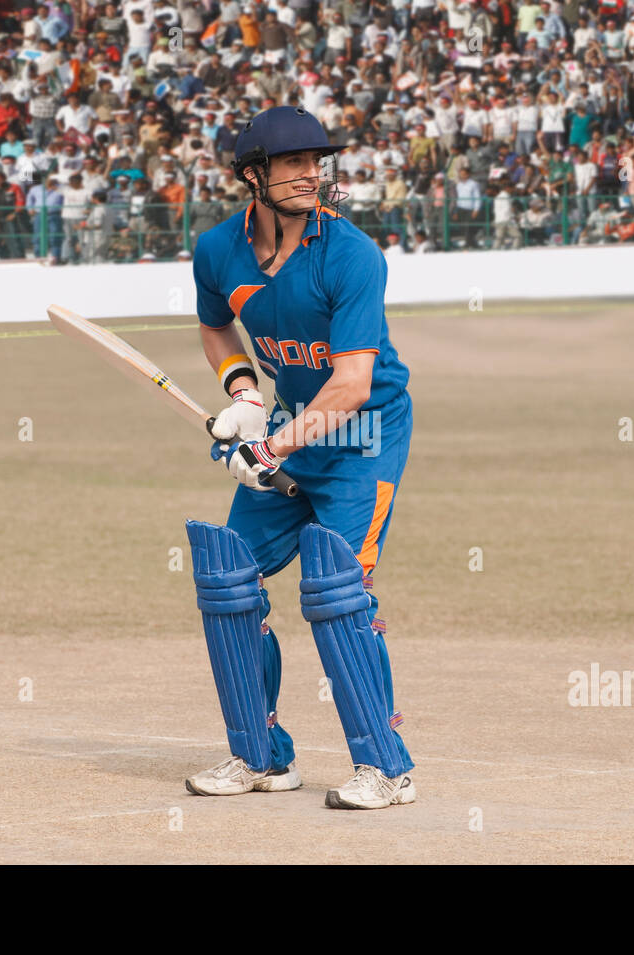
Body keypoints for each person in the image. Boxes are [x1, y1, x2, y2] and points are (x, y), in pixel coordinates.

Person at [185, 106, 416, 810]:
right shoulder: (218, 249)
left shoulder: (350, 254)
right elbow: (215, 325)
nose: (312, 173)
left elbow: (349, 384)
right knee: (228, 578)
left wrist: (270, 442)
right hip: (289, 422)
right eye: (293, 164)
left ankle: (386, 767)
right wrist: (245, 392)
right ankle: (258, 754)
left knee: (338, 592)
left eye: (317, 162)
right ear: (253, 174)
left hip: (363, 434)